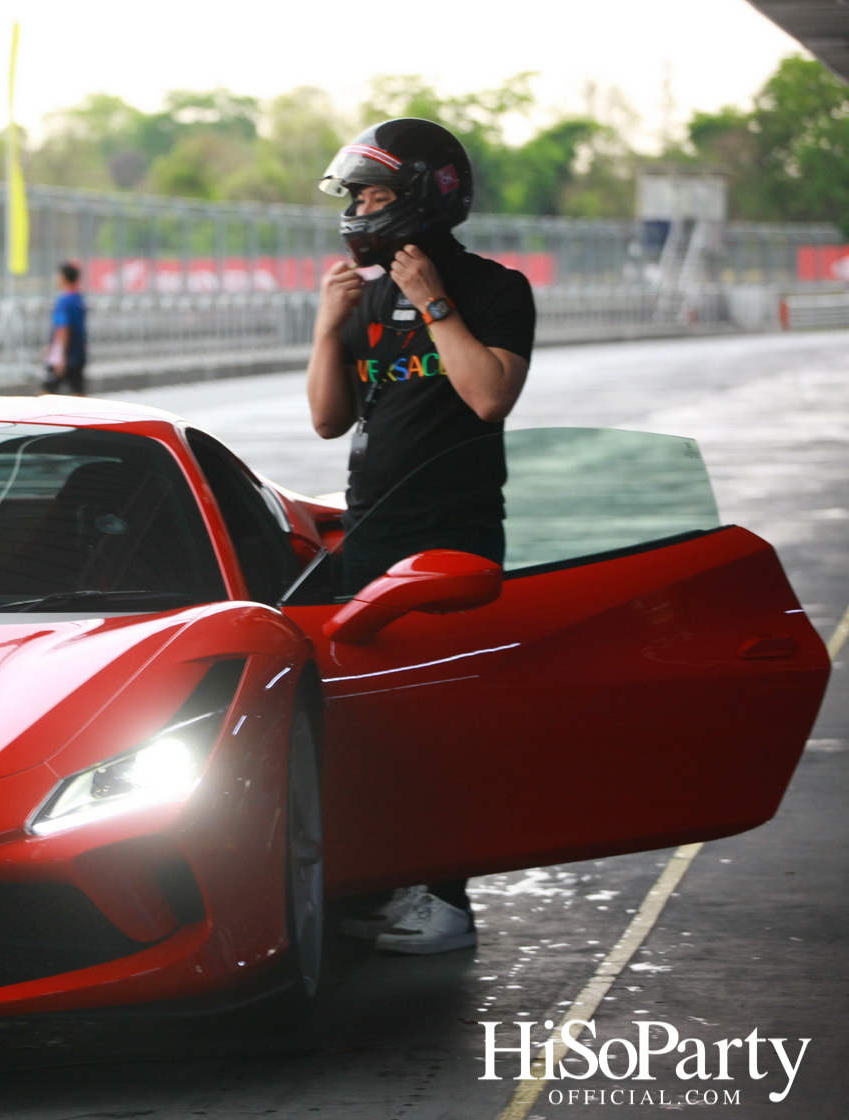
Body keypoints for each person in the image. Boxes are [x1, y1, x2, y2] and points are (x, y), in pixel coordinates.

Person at [306, 118, 536, 955]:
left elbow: (488, 397)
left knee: (442, 718)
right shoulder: (365, 296)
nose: (360, 207)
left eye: (372, 192)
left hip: (452, 536)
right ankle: (376, 883)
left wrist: (434, 300)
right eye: (357, 194)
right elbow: (330, 420)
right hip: (371, 532)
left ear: (422, 195)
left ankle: (446, 900)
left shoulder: (495, 288)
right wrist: (328, 327)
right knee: (365, 721)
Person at [43, 261, 88, 395]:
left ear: (63, 277)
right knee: (77, 392)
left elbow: (63, 327)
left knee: (46, 393)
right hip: (78, 352)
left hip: (64, 354)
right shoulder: (78, 299)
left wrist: (60, 355)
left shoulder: (64, 301)